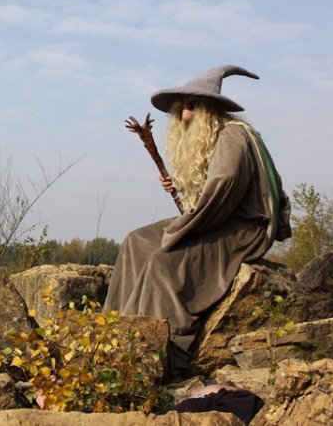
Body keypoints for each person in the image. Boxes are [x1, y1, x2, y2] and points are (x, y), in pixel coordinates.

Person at [103, 65, 291, 377]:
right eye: (181, 107)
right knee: (137, 242)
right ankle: (112, 337)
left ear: (210, 109)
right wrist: (180, 187)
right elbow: (210, 192)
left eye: (191, 106)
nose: (185, 115)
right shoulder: (219, 137)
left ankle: (160, 357)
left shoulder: (233, 135)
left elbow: (222, 189)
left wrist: (182, 230)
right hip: (217, 220)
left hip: (245, 229)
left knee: (163, 265)